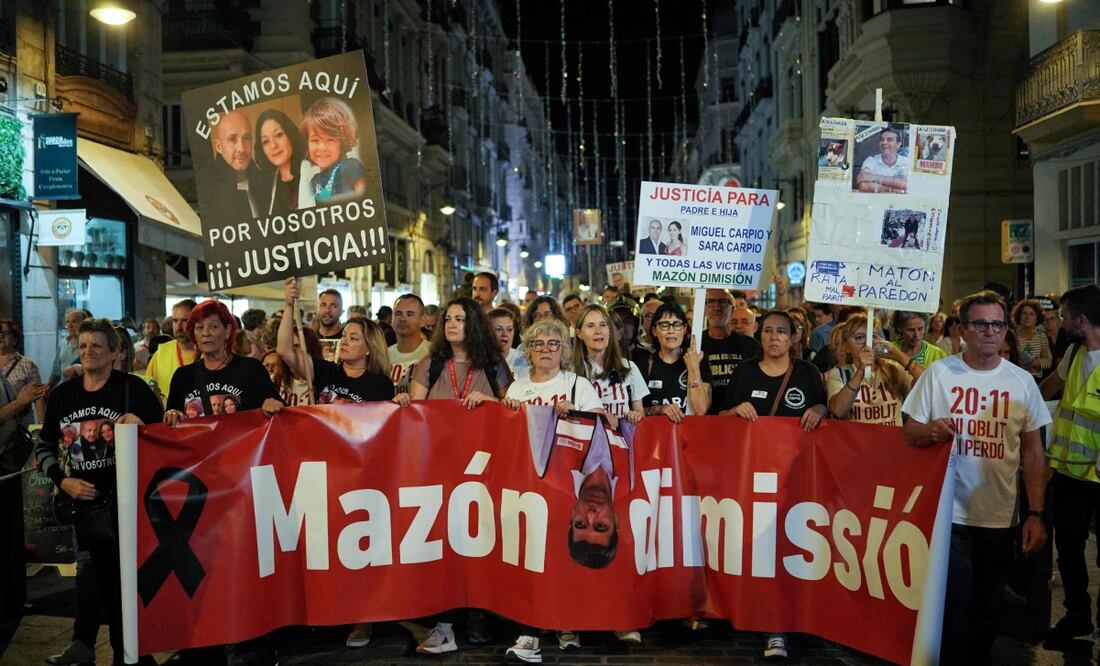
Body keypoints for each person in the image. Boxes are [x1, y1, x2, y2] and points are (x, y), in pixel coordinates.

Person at [902, 290, 1050, 664]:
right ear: (962, 330)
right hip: (947, 516)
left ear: (1006, 331)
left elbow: (1033, 453)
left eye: (997, 324)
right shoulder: (940, 374)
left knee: (987, 608)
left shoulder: (1021, 382)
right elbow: (910, 431)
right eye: (980, 323)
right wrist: (932, 431)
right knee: (952, 607)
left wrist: (1035, 513)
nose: (989, 331)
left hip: (999, 517)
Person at [36, 319, 163, 666]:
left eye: (96, 346)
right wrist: (64, 481)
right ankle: (86, 644)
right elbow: (44, 446)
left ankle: (131, 650)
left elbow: (166, 437)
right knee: (90, 573)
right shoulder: (64, 394)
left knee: (122, 579)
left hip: (129, 501)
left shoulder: (132, 389)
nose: (87, 351)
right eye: (82, 345)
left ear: (115, 353)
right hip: (84, 504)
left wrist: (143, 426)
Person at [394, 297, 510, 654]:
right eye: (448, 319)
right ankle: (444, 624)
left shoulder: (494, 366)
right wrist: (403, 403)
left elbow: (513, 410)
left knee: (478, 542)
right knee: (444, 546)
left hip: (483, 472)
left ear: (472, 324)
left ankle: (478, 615)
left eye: (460, 319)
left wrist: (489, 403)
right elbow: (415, 413)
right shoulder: (430, 364)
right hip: (440, 469)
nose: (453, 324)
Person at [720, 309, 826, 659]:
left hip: (795, 483)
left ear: (795, 337)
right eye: (767, 331)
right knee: (755, 552)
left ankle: (778, 626)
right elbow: (716, 420)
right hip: (749, 480)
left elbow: (830, 417)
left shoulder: (808, 374)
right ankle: (756, 615)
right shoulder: (744, 372)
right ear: (759, 335)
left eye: (782, 331)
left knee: (787, 552)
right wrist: (734, 413)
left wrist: (822, 411)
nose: (774, 337)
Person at [502, 318, 606, 661]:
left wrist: (573, 414)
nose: (545, 350)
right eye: (538, 344)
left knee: (561, 556)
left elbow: (600, 424)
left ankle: (565, 621)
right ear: (528, 351)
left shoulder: (577, 384)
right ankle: (529, 628)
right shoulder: (517, 387)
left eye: (553, 344)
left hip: (566, 486)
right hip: (528, 485)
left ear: (564, 350)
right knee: (531, 555)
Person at [1040, 285, 1100, 642]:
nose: (1060, 323)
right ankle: (1078, 616)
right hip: (1070, 473)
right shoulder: (1074, 354)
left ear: (1081, 319)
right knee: (1070, 549)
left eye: (1063, 317)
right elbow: (1048, 389)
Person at [163, 300, 283, 425]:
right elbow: (171, 425)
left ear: (227, 331)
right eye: (199, 327)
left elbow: (280, 410)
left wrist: (274, 405)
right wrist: (172, 415)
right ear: (193, 333)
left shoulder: (252, 370)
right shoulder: (183, 377)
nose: (205, 333)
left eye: (213, 326)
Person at [0, 351, 46, 623]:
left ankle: (13, 599)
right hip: (3, 463)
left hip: (9, 460)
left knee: (11, 537)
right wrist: (21, 402)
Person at [826, 314, 911, 426]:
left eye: (873, 336)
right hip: (857, 442)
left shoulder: (894, 369)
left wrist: (900, 357)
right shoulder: (839, 374)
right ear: (846, 346)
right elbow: (838, 411)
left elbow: (931, 385)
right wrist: (861, 371)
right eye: (860, 337)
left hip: (891, 441)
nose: (868, 343)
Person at [573, 304, 648, 429]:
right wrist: (601, 416)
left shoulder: (630, 367)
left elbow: (640, 414)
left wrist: (636, 416)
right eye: (591, 326)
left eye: (603, 325)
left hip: (624, 441)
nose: (598, 331)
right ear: (579, 333)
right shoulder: (571, 371)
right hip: (590, 442)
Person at [641, 303, 710, 421]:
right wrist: (659, 409)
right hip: (656, 436)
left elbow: (701, 410)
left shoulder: (698, 360)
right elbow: (635, 411)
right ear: (654, 331)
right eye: (664, 325)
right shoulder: (645, 363)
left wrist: (693, 368)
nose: (671, 330)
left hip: (690, 435)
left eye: (677, 324)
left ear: (684, 329)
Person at [701, 290, 762, 414]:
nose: (717, 307)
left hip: (742, 416)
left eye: (724, 302)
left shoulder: (751, 345)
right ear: (703, 309)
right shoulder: (693, 345)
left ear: (733, 309)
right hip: (704, 418)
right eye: (711, 302)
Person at [300, 97, 367, 203]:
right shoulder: (312, 182)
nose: (322, 147)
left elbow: (367, 199)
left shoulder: (350, 166)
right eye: (315, 140)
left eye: (330, 140)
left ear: (342, 142)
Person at [210, 110, 263, 219]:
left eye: (246, 138)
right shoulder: (210, 195)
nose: (241, 148)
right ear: (219, 146)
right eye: (232, 139)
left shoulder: (265, 183)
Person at [145, 299, 198, 403]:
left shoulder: (209, 352)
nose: (178, 327)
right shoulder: (161, 353)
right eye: (175, 321)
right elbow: (147, 390)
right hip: (168, 416)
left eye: (184, 321)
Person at [254, 108, 305, 215]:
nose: (273, 145)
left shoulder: (312, 174)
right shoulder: (265, 189)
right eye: (266, 141)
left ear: (290, 134)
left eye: (278, 135)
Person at [0, 318, 46, 421]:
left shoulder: (27, 365)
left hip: (20, 430)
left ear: (15, 339)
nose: (1, 336)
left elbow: (39, 399)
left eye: (5, 333)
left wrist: (42, 428)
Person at [388, 293, 431, 392]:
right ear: (391, 319)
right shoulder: (383, 356)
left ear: (422, 320)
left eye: (410, 314)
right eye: (398, 313)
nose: (403, 319)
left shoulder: (434, 353)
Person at [891, 311, 946, 378]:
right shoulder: (890, 349)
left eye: (920, 329)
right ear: (899, 328)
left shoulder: (938, 354)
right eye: (911, 330)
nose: (916, 334)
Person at [855, 126, 908, 194]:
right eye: (882, 139)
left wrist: (874, 177)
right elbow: (863, 186)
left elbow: (907, 184)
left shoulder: (906, 162)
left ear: (898, 144)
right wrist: (893, 189)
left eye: (889, 140)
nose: (884, 142)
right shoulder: (871, 161)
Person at [1012, 299, 1052, 380]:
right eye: (1024, 314)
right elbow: (1013, 362)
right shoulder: (1013, 336)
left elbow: (1049, 362)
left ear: (1037, 318)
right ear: (1019, 316)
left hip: (1037, 381)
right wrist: (1036, 362)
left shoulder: (1041, 336)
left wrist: (1034, 363)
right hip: (1017, 379)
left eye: (1032, 314)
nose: (1027, 317)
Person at [50, 308, 90, 387]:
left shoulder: (90, 346)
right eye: (68, 322)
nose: (70, 325)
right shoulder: (63, 344)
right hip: (65, 391)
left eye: (74, 321)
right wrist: (46, 388)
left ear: (84, 324)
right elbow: (56, 374)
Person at [489, 307, 524, 375]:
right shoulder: (479, 360)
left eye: (509, 329)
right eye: (499, 329)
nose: (505, 334)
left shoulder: (524, 360)